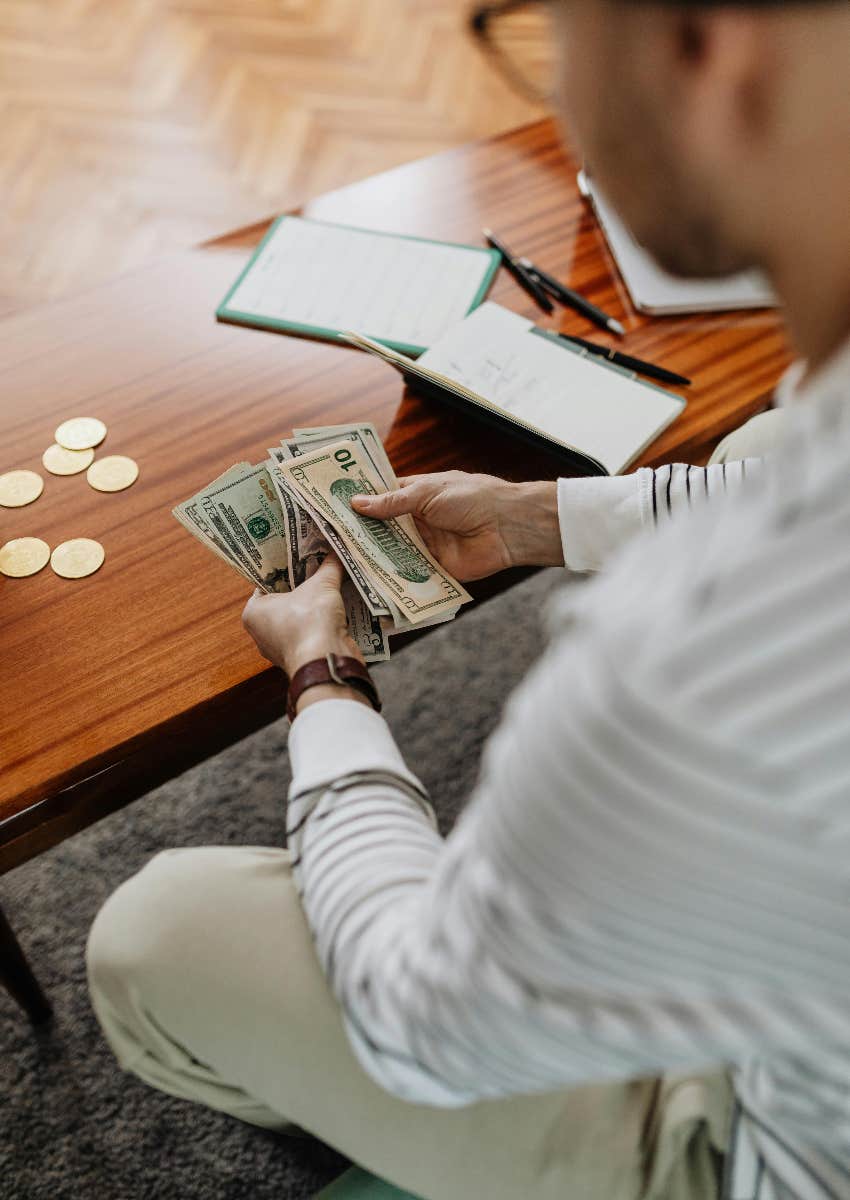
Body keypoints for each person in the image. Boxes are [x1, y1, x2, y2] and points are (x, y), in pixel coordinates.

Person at [86, 2, 850, 1198]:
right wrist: (534, 517)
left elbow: (420, 1021)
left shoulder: (699, 652)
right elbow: (794, 470)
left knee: (152, 934)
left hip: (776, 1144)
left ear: (706, 50)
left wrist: (323, 679)